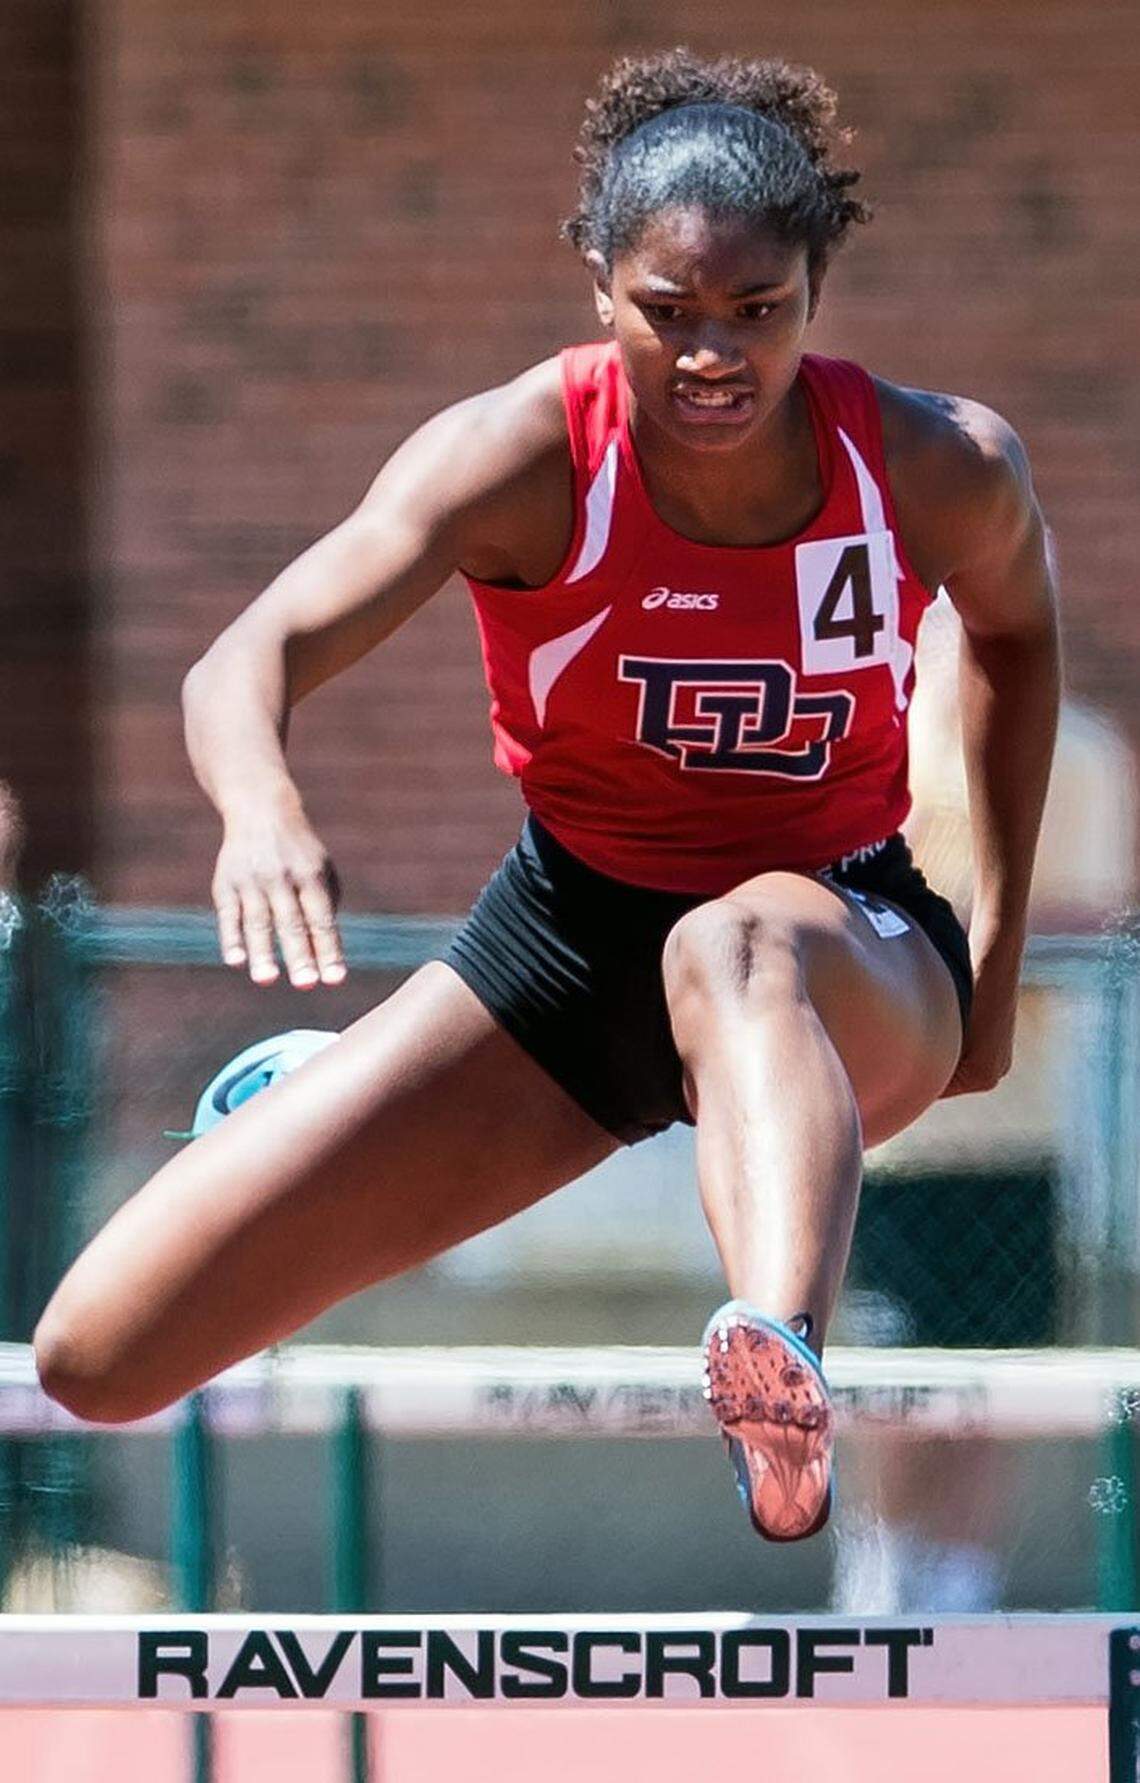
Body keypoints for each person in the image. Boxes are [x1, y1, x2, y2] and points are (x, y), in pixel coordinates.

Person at [33, 48, 1059, 1543]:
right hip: (570, 946)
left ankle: (776, 1365)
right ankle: (318, 1096)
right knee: (98, 1357)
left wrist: (998, 960)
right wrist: (262, 811)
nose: (713, 356)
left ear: (817, 291)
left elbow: (1020, 642)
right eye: (669, 314)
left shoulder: (929, 464)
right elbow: (242, 662)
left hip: (839, 937)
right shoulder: (517, 458)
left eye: (756, 314)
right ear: (598, 282)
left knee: (737, 949)